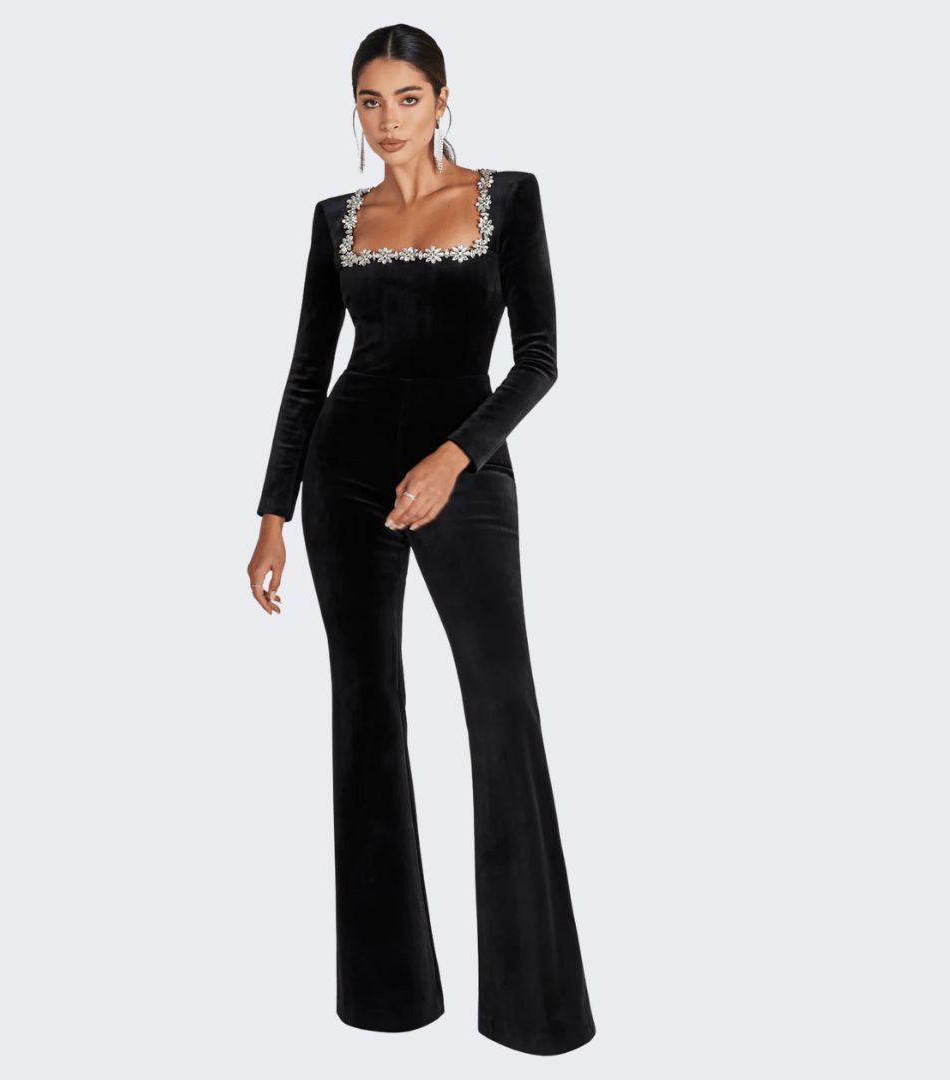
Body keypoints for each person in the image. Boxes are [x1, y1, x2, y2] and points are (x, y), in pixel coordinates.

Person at [248, 24, 596, 1056]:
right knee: (365, 713)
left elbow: (539, 358)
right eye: (370, 101)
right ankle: (387, 996)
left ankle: (535, 1011)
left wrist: (457, 457)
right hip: (343, 475)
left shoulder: (508, 199)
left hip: (463, 472)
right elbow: (307, 374)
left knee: (501, 705)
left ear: (443, 99)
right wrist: (272, 514)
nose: (388, 120)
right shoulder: (336, 221)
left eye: (407, 98)